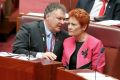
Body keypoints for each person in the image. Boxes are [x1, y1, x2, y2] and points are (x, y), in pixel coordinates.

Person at [62, 8, 105, 72]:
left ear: (84, 27)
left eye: (73, 24)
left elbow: (97, 71)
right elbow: (63, 66)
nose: (69, 27)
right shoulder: (67, 41)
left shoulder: (96, 44)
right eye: (69, 23)